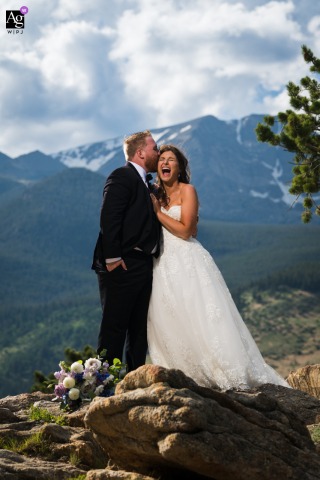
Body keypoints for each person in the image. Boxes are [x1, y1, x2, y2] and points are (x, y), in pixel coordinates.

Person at [148, 144, 289, 390]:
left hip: (188, 263)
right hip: (161, 266)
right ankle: (182, 376)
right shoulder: (154, 193)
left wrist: (158, 213)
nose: (165, 163)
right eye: (161, 159)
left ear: (179, 168)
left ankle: (224, 374)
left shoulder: (187, 190)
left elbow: (187, 230)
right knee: (172, 321)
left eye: (171, 160)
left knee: (202, 318)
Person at [92, 130, 161, 372]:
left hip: (143, 264)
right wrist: (113, 258)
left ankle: (134, 382)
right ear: (140, 153)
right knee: (114, 327)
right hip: (121, 263)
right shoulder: (122, 175)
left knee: (138, 328)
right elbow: (109, 217)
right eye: (155, 148)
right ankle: (103, 383)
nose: (159, 152)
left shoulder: (147, 183)